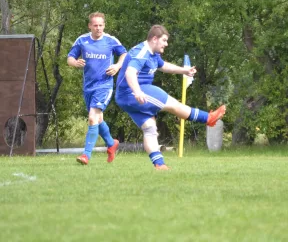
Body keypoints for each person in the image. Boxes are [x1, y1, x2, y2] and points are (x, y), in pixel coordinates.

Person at [115, 25, 226, 170]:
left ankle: (159, 165)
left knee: (150, 129)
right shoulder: (142, 52)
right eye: (164, 40)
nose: (166, 44)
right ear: (154, 39)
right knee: (173, 104)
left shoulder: (153, 53)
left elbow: (163, 66)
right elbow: (130, 72)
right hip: (133, 92)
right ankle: (208, 118)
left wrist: (184, 70)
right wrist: (137, 92)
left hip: (126, 97)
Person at [67, 12, 127, 165]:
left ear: (104, 25)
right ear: (90, 26)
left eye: (101, 25)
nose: (98, 28)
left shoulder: (111, 41)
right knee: (98, 119)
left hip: (104, 85)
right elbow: (70, 58)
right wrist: (75, 63)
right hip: (88, 87)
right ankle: (111, 143)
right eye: (95, 25)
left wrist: (117, 66)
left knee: (92, 117)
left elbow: (125, 55)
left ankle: (86, 155)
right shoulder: (82, 40)